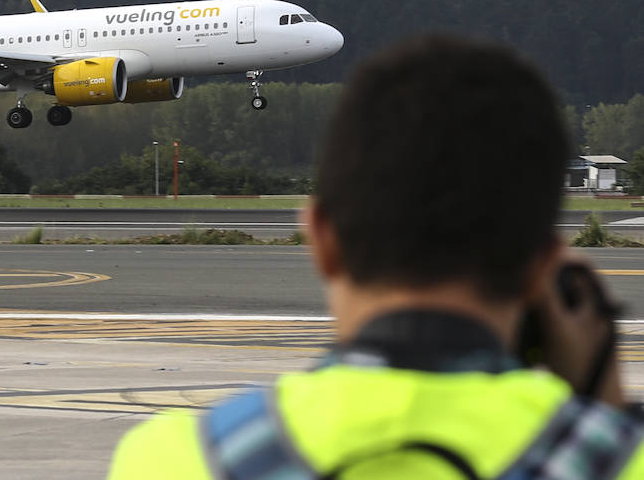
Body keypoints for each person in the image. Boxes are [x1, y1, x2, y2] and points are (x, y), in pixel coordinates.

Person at [108, 35, 643, 479]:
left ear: (321, 239)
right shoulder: (616, 459)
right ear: (547, 264)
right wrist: (603, 412)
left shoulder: (172, 457)